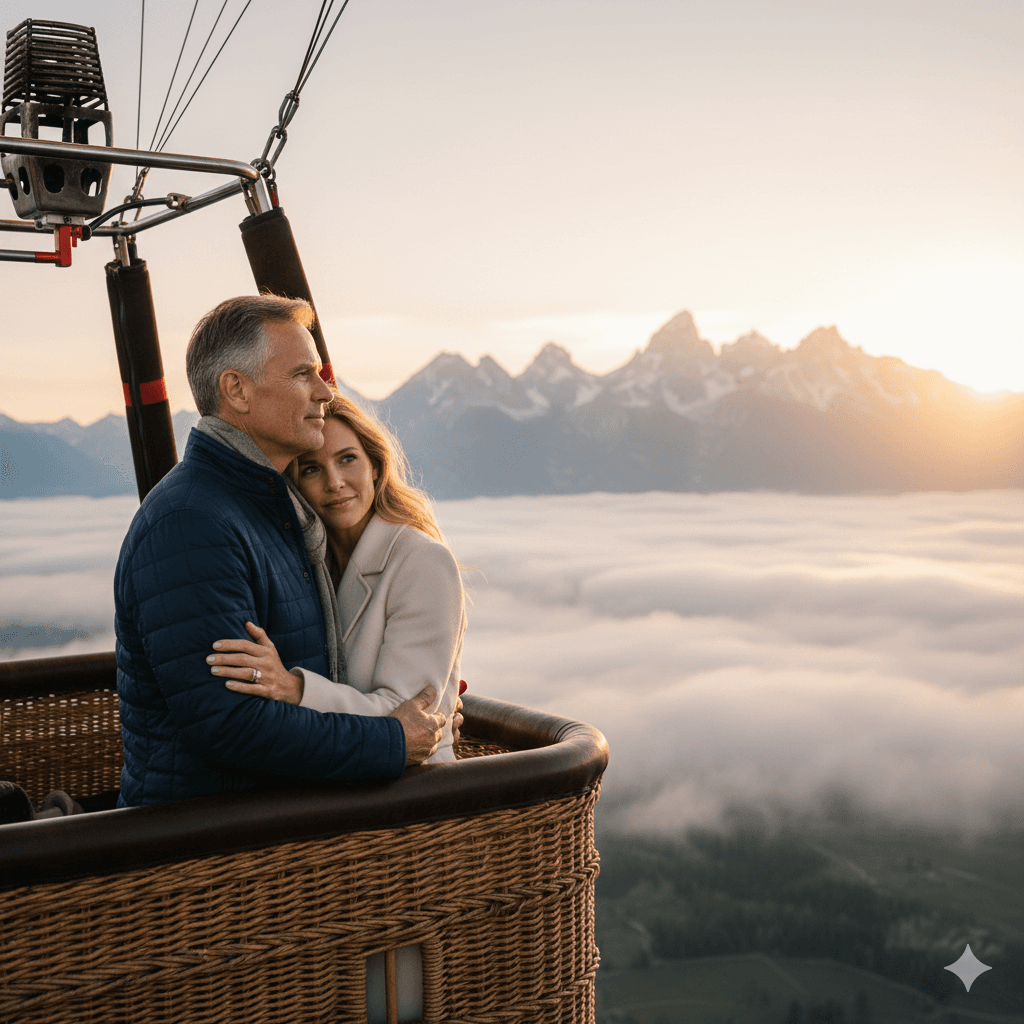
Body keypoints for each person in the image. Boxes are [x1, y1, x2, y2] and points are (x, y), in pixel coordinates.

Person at [114, 294, 458, 806]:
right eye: (303, 374)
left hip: (272, 829)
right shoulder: (192, 522)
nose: (325, 390)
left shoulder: (272, 507)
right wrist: (392, 740)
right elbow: (230, 725)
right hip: (208, 849)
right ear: (237, 390)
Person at [203, 394, 465, 763]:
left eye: (347, 459)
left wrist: (294, 689)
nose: (335, 482)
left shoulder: (422, 561)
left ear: (375, 466)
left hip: (415, 794)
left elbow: (407, 717)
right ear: (294, 486)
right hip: (343, 777)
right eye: (311, 469)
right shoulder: (306, 566)